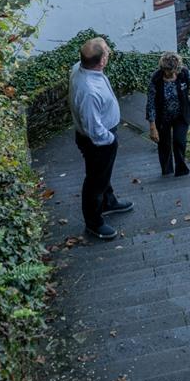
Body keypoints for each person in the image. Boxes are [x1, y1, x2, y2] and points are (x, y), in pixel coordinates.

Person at [68, 37, 133, 240]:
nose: (109, 51)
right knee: (95, 181)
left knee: (103, 175)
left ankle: (108, 202)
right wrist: (110, 140)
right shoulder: (89, 91)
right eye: (106, 50)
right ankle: (94, 223)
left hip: (98, 136)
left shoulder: (80, 67)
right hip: (99, 141)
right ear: (102, 61)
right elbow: (94, 129)